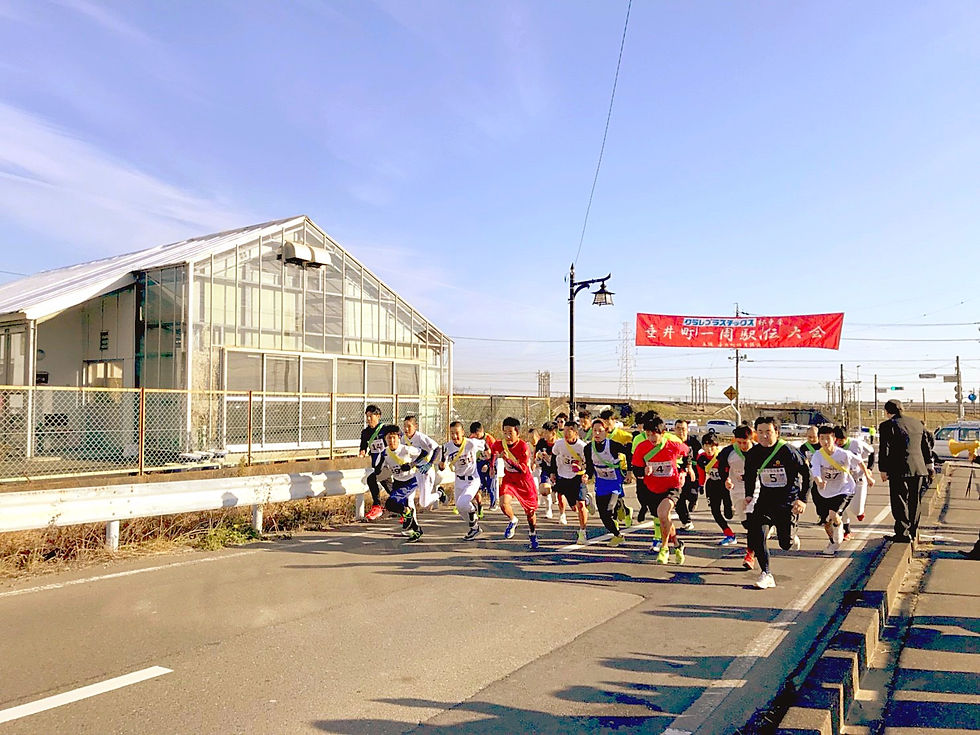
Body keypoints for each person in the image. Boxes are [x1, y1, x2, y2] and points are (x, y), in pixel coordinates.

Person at [742, 417, 810, 589]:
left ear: (777, 432)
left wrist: (802, 499)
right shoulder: (753, 453)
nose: (764, 436)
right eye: (760, 432)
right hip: (765, 501)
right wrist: (748, 495)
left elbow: (807, 474)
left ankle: (792, 535)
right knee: (757, 534)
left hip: (787, 502)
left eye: (768, 432)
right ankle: (766, 573)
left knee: (785, 544)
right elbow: (749, 475)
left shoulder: (789, 451)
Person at [632, 416, 690, 564]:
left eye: (654, 434)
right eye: (648, 434)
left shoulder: (673, 445)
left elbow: (688, 453)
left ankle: (664, 548)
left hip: (672, 487)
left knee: (663, 513)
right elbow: (636, 470)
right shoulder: (642, 448)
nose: (651, 438)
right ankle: (677, 544)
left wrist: (684, 471)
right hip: (652, 489)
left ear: (663, 433)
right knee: (664, 518)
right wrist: (644, 471)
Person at [877, 400, 933, 543]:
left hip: (898, 468)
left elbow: (884, 448)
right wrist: (928, 464)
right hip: (919, 467)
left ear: (887, 412)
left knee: (899, 499)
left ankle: (902, 532)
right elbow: (925, 445)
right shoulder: (917, 423)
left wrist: (883, 469)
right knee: (915, 500)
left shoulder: (887, 426)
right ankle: (913, 531)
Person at [810, 426, 869, 555]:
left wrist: (868, 477)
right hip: (823, 491)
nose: (825, 441)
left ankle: (839, 527)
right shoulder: (817, 455)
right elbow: (815, 471)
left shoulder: (843, 454)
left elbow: (860, 462)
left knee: (834, 515)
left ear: (834, 439)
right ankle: (833, 542)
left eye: (828, 438)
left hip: (844, 489)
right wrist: (819, 481)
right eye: (822, 438)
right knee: (826, 521)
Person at [490, 417, 540, 549]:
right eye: (505, 432)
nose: (507, 436)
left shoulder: (523, 447)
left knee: (530, 512)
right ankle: (513, 520)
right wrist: (492, 467)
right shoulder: (500, 444)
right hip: (509, 479)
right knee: (503, 503)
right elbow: (493, 451)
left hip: (524, 481)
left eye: (510, 433)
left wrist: (508, 460)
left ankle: (532, 533)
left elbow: (523, 469)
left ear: (517, 433)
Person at [585, 418, 632, 545]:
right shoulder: (588, 448)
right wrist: (587, 476)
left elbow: (629, 453)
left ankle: (620, 505)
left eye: (600, 431)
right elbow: (589, 467)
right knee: (603, 515)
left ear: (606, 431)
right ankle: (618, 535)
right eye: (594, 430)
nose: (597, 433)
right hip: (601, 484)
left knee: (609, 509)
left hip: (614, 482)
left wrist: (629, 471)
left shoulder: (612, 445)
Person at [717, 424, 758, 567]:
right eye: (739, 442)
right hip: (737, 490)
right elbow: (722, 467)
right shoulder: (728, 452)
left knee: (753, 522)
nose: (742, 446)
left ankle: (750, 555)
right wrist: (726, 479)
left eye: (745, 442)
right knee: (746, 523)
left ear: (751, 439)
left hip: (756, 490)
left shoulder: (758, 451)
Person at [440, 421, 485, 540]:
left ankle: (473, 511)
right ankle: (474, 528)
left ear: (463, 432)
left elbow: (485, 444)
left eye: (457, 433)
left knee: (462, 503)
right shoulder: (447, 447)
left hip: (472, 479)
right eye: (452, 433)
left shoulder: (471, 443)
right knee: (460, 509)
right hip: (459, 480)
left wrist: (488, 456)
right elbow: (441, 466)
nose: (455, 436)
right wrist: (442, 462)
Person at [380, 425, 425, 542]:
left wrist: (411, 464)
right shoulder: (385, 453)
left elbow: (424, 453)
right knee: (397, 506)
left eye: (394, 438)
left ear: (399, 437)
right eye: (389, 438)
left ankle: (408, 515)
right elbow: (380, 470)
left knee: (391, 503)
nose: (391, 441)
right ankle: (416, 529)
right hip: (397, 482)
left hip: (410, 481)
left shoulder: (406, 449)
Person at [550, 421, 591, 544]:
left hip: (578, 477)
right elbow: (553, 457)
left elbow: (589, 463)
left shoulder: (582, 446)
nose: (566, 433)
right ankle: (587, 499)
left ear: (576, 432)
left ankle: (582, 532)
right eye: (565, 431)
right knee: (574, 507)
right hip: (563, 476)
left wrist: (585, 472)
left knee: (581, 505)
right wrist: (553, 472)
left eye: (569, 431)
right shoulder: (559, 444)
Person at [833, 426, 876, 539]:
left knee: (857, 510)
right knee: (841, 507)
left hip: (858, 479)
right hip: (842, 481)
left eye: (841, 439)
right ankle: (846, 530)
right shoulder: (832, 447)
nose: (839, 442)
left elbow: (872, 452)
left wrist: (869, 469)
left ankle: (860, 512)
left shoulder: (856, 444)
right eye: (837, 439)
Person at [697, 433, 737, 546]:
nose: (709, 449)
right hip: (712, 485)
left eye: (712, 446)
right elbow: (701, 472)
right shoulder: (701, 458)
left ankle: (731, 508)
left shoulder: (722, 456)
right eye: (706, 446)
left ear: (716, 446)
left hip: (725, 485)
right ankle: (729, 534)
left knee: (728, 514)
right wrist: (700, 485)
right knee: (715, 511)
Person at [402, 415, 442, 511]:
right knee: (408, 497)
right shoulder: (403, 439)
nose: (406, 429)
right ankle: (411, 517)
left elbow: (437, 448)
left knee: (423, 503)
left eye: (409, 426)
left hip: (425, 471)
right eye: (404, 426)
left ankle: (440, 493)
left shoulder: (420, 437)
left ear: (415, 426)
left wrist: (430, 463)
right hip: (414, 471)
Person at [358, 405, 389, 521]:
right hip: (376, 465)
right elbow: (363, 447)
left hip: (388, 463)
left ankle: (377, 507)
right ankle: (404, 509)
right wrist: (362, 452)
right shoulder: (365, 432)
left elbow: (397, 438)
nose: (368, 419)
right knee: (390, 488)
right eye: (367, 416)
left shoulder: (385, 429)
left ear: (378, 416)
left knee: (372, 479)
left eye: (371, 416)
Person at [673, 419, 702, 531]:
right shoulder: (671, 442)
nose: (681, 431)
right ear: (674, 429)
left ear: (687, 430)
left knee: (691, 494)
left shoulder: (694, 442)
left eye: (683, 429)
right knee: (678, 498)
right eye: (678, 428)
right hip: (676, 474)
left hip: (692, 473)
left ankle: (694, 500)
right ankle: (686, 521)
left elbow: (701, 457)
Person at [470, 421, 498, 510]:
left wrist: (490, 466)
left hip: (491, 461)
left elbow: (494, 454)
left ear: (481, 432)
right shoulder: (472, 438)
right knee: (478, 483)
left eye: (476, 434)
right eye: (473, 434)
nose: (474, 436)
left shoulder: (490, 439)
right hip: (479, 462)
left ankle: (493, 503)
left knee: (491, 483)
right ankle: (477, 504)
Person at [534, 422, 558, 519]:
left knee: (567, 496)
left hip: (560, 470)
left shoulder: (559, 444)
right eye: (543, 432)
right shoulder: (541, 442)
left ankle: (562, 514)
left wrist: (550, 459)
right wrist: (537, 458)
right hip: (546, 470)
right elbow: (536, 455)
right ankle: (548, 509)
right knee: (543, 489)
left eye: (546, 433)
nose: (543, 435)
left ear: (553, 433)